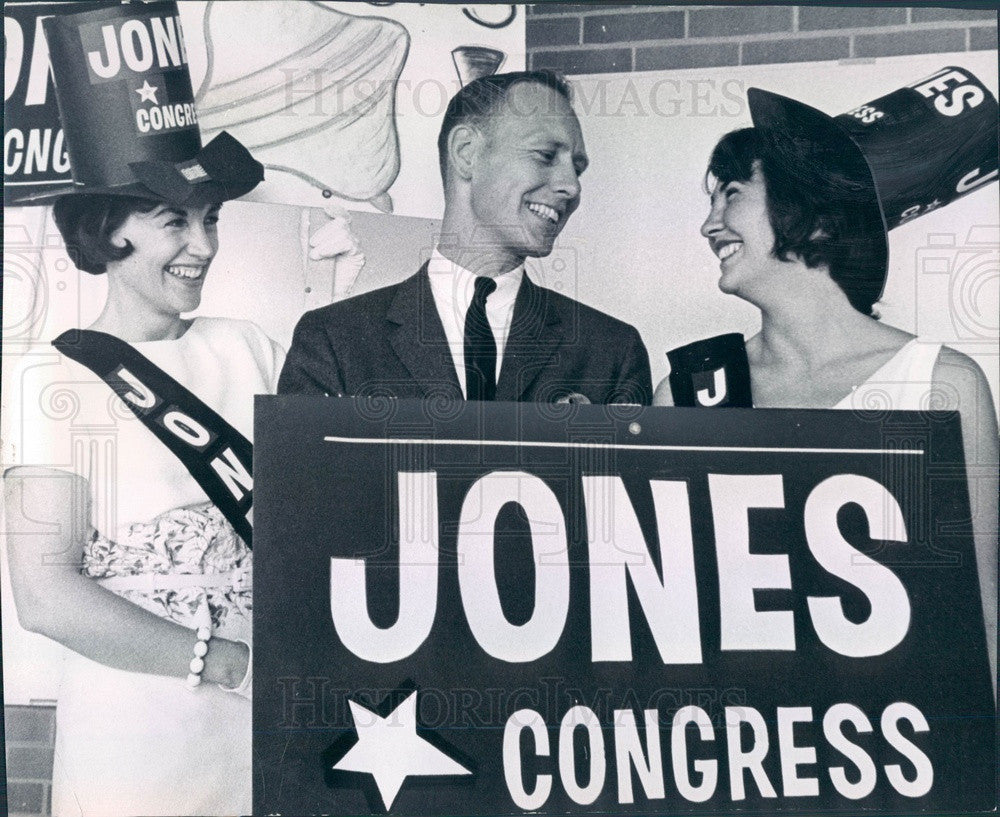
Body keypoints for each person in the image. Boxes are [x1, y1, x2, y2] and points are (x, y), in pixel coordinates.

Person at [2, 3, 362, 814]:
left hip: (264, 730)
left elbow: (327, 513)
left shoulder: (251, 347)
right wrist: (230, 663)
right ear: (106, 230)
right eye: (174, 221)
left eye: (211, 219)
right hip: (136, 733)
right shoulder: (46, 382)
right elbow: (44, 594)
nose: (203, 246)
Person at [654, 76, 999, 685]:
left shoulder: (940, 385)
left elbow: (982, 623)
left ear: (810, 214)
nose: (709, 227)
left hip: (896, 752)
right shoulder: (688, 390)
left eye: (730, 195)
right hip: (743, 743)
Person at [278, 70, 652, 404]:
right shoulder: (333, 339)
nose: (571, 186)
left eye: (578, 168)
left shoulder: (613, 351)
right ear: (466, 153)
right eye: (545, 155)